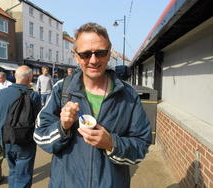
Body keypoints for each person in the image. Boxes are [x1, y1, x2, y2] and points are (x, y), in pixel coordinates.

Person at [33, 23, 152, 188]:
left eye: (101, 53)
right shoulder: (62, 89)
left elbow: (141, 146)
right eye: (86, 54)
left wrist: (111, 143)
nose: (94, 60)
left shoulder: (128, 95)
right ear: (75, 56)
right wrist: (62, 127)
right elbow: (40, 135)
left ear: (109, 53)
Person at [0, 65, 41, 188]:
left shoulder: (0, 94)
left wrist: (1, 130)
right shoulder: (34, 95)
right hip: (25, 141)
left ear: (15, 76)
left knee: (13, 171)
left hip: (6, 140)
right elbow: (39, 121)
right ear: (29, 78)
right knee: (24, 176)